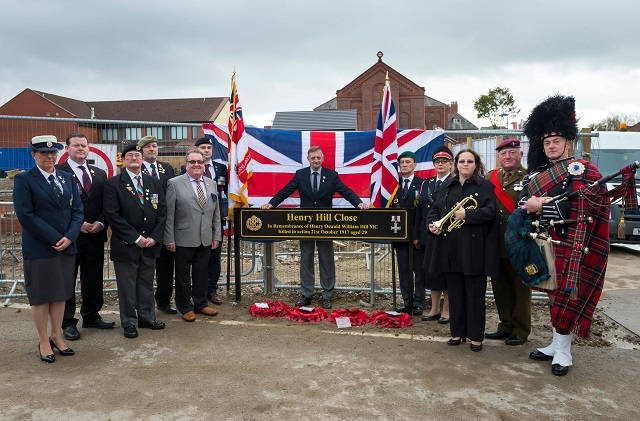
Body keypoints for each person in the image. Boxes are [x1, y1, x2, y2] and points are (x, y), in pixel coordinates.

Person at [519, 95, 610, 376]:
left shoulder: (585, 170)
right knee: (552, 294)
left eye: (556, 141)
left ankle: (563, 351)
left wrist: (542, 205)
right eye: (546, 143)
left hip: (575, 243)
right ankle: (555, 343)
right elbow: (524, 202)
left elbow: (584, 208)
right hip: (545, 242)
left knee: (569, 295)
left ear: (568, 142)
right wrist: (533, 207)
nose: (551, 146)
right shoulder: (539, 173)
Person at [260, 146, 369, 309]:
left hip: (325, 225)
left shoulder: (332, 176)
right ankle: (306, 294)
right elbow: (285, 191)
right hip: (305, 225)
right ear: (308, 159)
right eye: (313, 158)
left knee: (326, 260)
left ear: (323, 158)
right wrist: (271, 203)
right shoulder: (300, 175)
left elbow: (346, 191)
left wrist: (358, 203)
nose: (316, 161)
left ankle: (327, 295)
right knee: (306, 259)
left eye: (318, 158)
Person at [13, 135, 83, 362]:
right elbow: (26, 214)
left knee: (61, 293)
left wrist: (70, 237)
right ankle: (44, 340)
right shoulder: (24, 180)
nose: (49, 156)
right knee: (42, 297)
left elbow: (77, 211)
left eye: (53, 153)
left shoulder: (66, 178)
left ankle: (57, 334)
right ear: (34, 154)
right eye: (43, 153)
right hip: (40, 247)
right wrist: (55, 237)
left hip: (66, 247)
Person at [427, 149, 499, 352]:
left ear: (476, 165)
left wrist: (467, 213)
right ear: (456, 164)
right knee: (456, 292)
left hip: (474, 247)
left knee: (474, 294)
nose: (465, 164)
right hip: (450, 248)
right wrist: (432, 224)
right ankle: (457, 333)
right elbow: (435, 209)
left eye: (470, 161)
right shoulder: (447, 185)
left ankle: (476, 336)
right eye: (462, 161)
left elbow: (490, 212)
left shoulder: (484, 186)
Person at [103, 143, 167, 338]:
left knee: (146, 283)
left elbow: (162, 212)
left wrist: (154, 237)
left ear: (142, 159)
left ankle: (146, 317)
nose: (134, 158)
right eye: (130, 155)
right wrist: (136, 238)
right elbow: (112, 215)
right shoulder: (113, 183)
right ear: (123, 159)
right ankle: (129, 322)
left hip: (150, 245)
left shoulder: (153, 182)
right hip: (127, 245)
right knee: (127, 286)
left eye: (137, 155)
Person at [55, 132, 114, 341]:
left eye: (84, 145)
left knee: (93, 278)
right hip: (71, 237)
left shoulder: (99, 173)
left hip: (95, 236)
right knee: (67, 281)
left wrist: (100, 222)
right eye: (76, 145)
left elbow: (106, 204)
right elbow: (58, 206)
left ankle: (91, 315)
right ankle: (67, 322)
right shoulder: (58, 172)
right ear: (67, 148)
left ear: (89, 148)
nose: (80, 149)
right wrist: (77, 225)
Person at [164, 150, 221, 322]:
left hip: (205, 237)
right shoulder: (174, 183)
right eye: (192, 162)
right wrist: (169, 239)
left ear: (204, 165)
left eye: (200, 162)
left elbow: (216, 213)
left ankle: (200, 303)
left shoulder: (211, 183)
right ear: (186, 164)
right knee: (183, 275)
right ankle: (185, 306)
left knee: (202, 273)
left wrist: (216, 236)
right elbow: (169, 214)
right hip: (182, 238)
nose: (196, 164)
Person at [484, 139, 531, 346]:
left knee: (520, 286)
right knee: (500, 285)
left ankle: (520, 329)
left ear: (521, 154)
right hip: (495, 238)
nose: (508, 157)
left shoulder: (530, 177)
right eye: (503, 154)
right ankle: (505, 325)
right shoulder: (491, 177)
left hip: (519, 238)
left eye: (512, 153)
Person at [182, 137, 228, 306]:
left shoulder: (221, 168)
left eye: (209, 147)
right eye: (203, 147)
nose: (207, 150)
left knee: (214, 257)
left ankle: (212, 289)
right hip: (192, 221)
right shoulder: (186, 169)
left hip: (214, 219)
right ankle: (194, 292)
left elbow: (226, 192)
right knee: (195, 260)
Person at [137, 135, 178, 315]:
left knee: (166, 267)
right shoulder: (136, 169)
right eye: (147, 147)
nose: (152, 149)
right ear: (141, 151)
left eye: (154, 146)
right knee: (144, 268)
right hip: (145, 227)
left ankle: (163, 300)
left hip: (165, 225)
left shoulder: (167, 168)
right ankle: (142, 304)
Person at [417, 146, 453, 324]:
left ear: (451, 164)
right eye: (437, 162)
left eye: (444, 161)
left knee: (446, 273)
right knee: (431, 272)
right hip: (430, 234)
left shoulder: (455, 182)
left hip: (448, 235)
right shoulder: (427, 183)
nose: (440, 164)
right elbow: (421, 209)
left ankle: (447, 311)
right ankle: (434, 309)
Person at [392, 151, 426, 315]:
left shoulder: (422, 184)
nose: (404, 165)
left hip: (416, 237)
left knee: (419, 271)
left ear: (414, 165)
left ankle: (418, 302)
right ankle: (407, 302)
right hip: (399, 235)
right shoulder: (392, 185)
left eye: (408, 162)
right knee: (404, 270)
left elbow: (423, 212)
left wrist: (417, 235)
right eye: (402, 163)